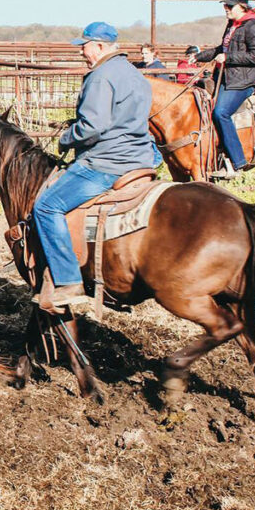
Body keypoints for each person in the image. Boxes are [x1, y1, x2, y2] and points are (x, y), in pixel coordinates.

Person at [32, 21, 157, 312]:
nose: (81, 53)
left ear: (99, 46)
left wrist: (66, 138)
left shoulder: (101, 76)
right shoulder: (134, 74)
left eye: (84, 47)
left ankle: (67, 281)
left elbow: (93, 126)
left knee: (46, 206)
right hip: (140, 159)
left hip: (106, 161)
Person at [189, 0, 255, 179]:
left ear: (242, 6)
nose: (226, 9)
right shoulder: (233, 25)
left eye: (229, 6)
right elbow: (221, 49)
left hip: (244, 80)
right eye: (225, 5)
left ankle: (237, 161)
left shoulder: (254, 27)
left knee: (221, 112)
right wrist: (200, 56)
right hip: (227, 77)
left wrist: (228, 57)